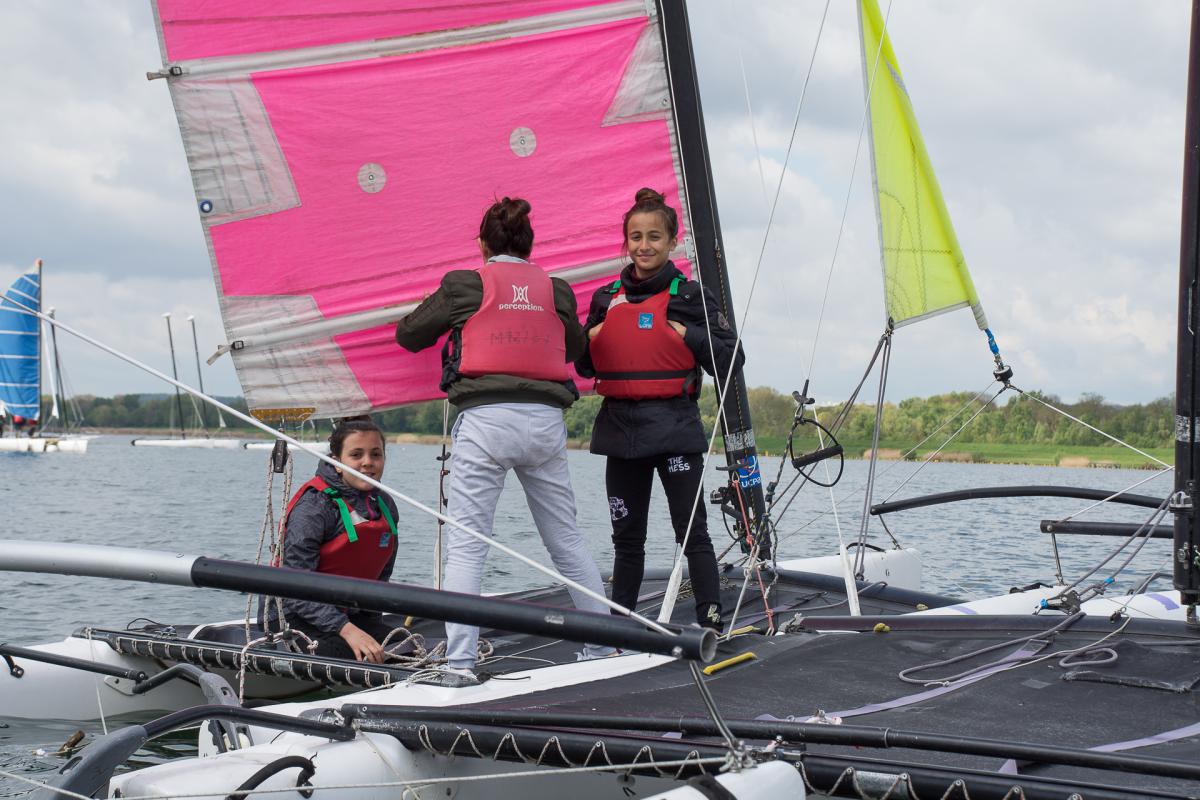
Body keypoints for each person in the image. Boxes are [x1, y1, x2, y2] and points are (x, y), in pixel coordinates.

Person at [395, 197, 615, 678]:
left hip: (486, 422)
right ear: (530, 244)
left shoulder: (462, 285)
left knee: (467, 546)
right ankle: (602, 649)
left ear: (481, 244)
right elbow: (574, 349)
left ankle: (459, 664)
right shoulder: (557, 290)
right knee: (566, 540)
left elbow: (409, 335)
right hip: (545, 425)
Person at [576, 187, 745, 631]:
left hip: (675, 430)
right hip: (621, 433)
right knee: (627, 540)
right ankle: (620, 628)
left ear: (672, 241)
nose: (644, 246)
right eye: (636, 237)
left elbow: (733, 358)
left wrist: (688, 335)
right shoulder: (605, 298)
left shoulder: (690, 296)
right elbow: (583, 365)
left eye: (654, 237)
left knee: (692, 533)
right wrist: (589, 340)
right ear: (626, 241)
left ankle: (710, 621)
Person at [263, 416, 399, 663]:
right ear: (337, 462)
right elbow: (296, 589)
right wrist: (348, 631)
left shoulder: (385, 505)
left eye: (376, 454)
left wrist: (370, 629)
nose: (368, 462)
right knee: (345, 653)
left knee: (406, 647)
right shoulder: (314, 507)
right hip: (294, 617)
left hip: (350, 614)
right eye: (356, 455)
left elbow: (381, 575)